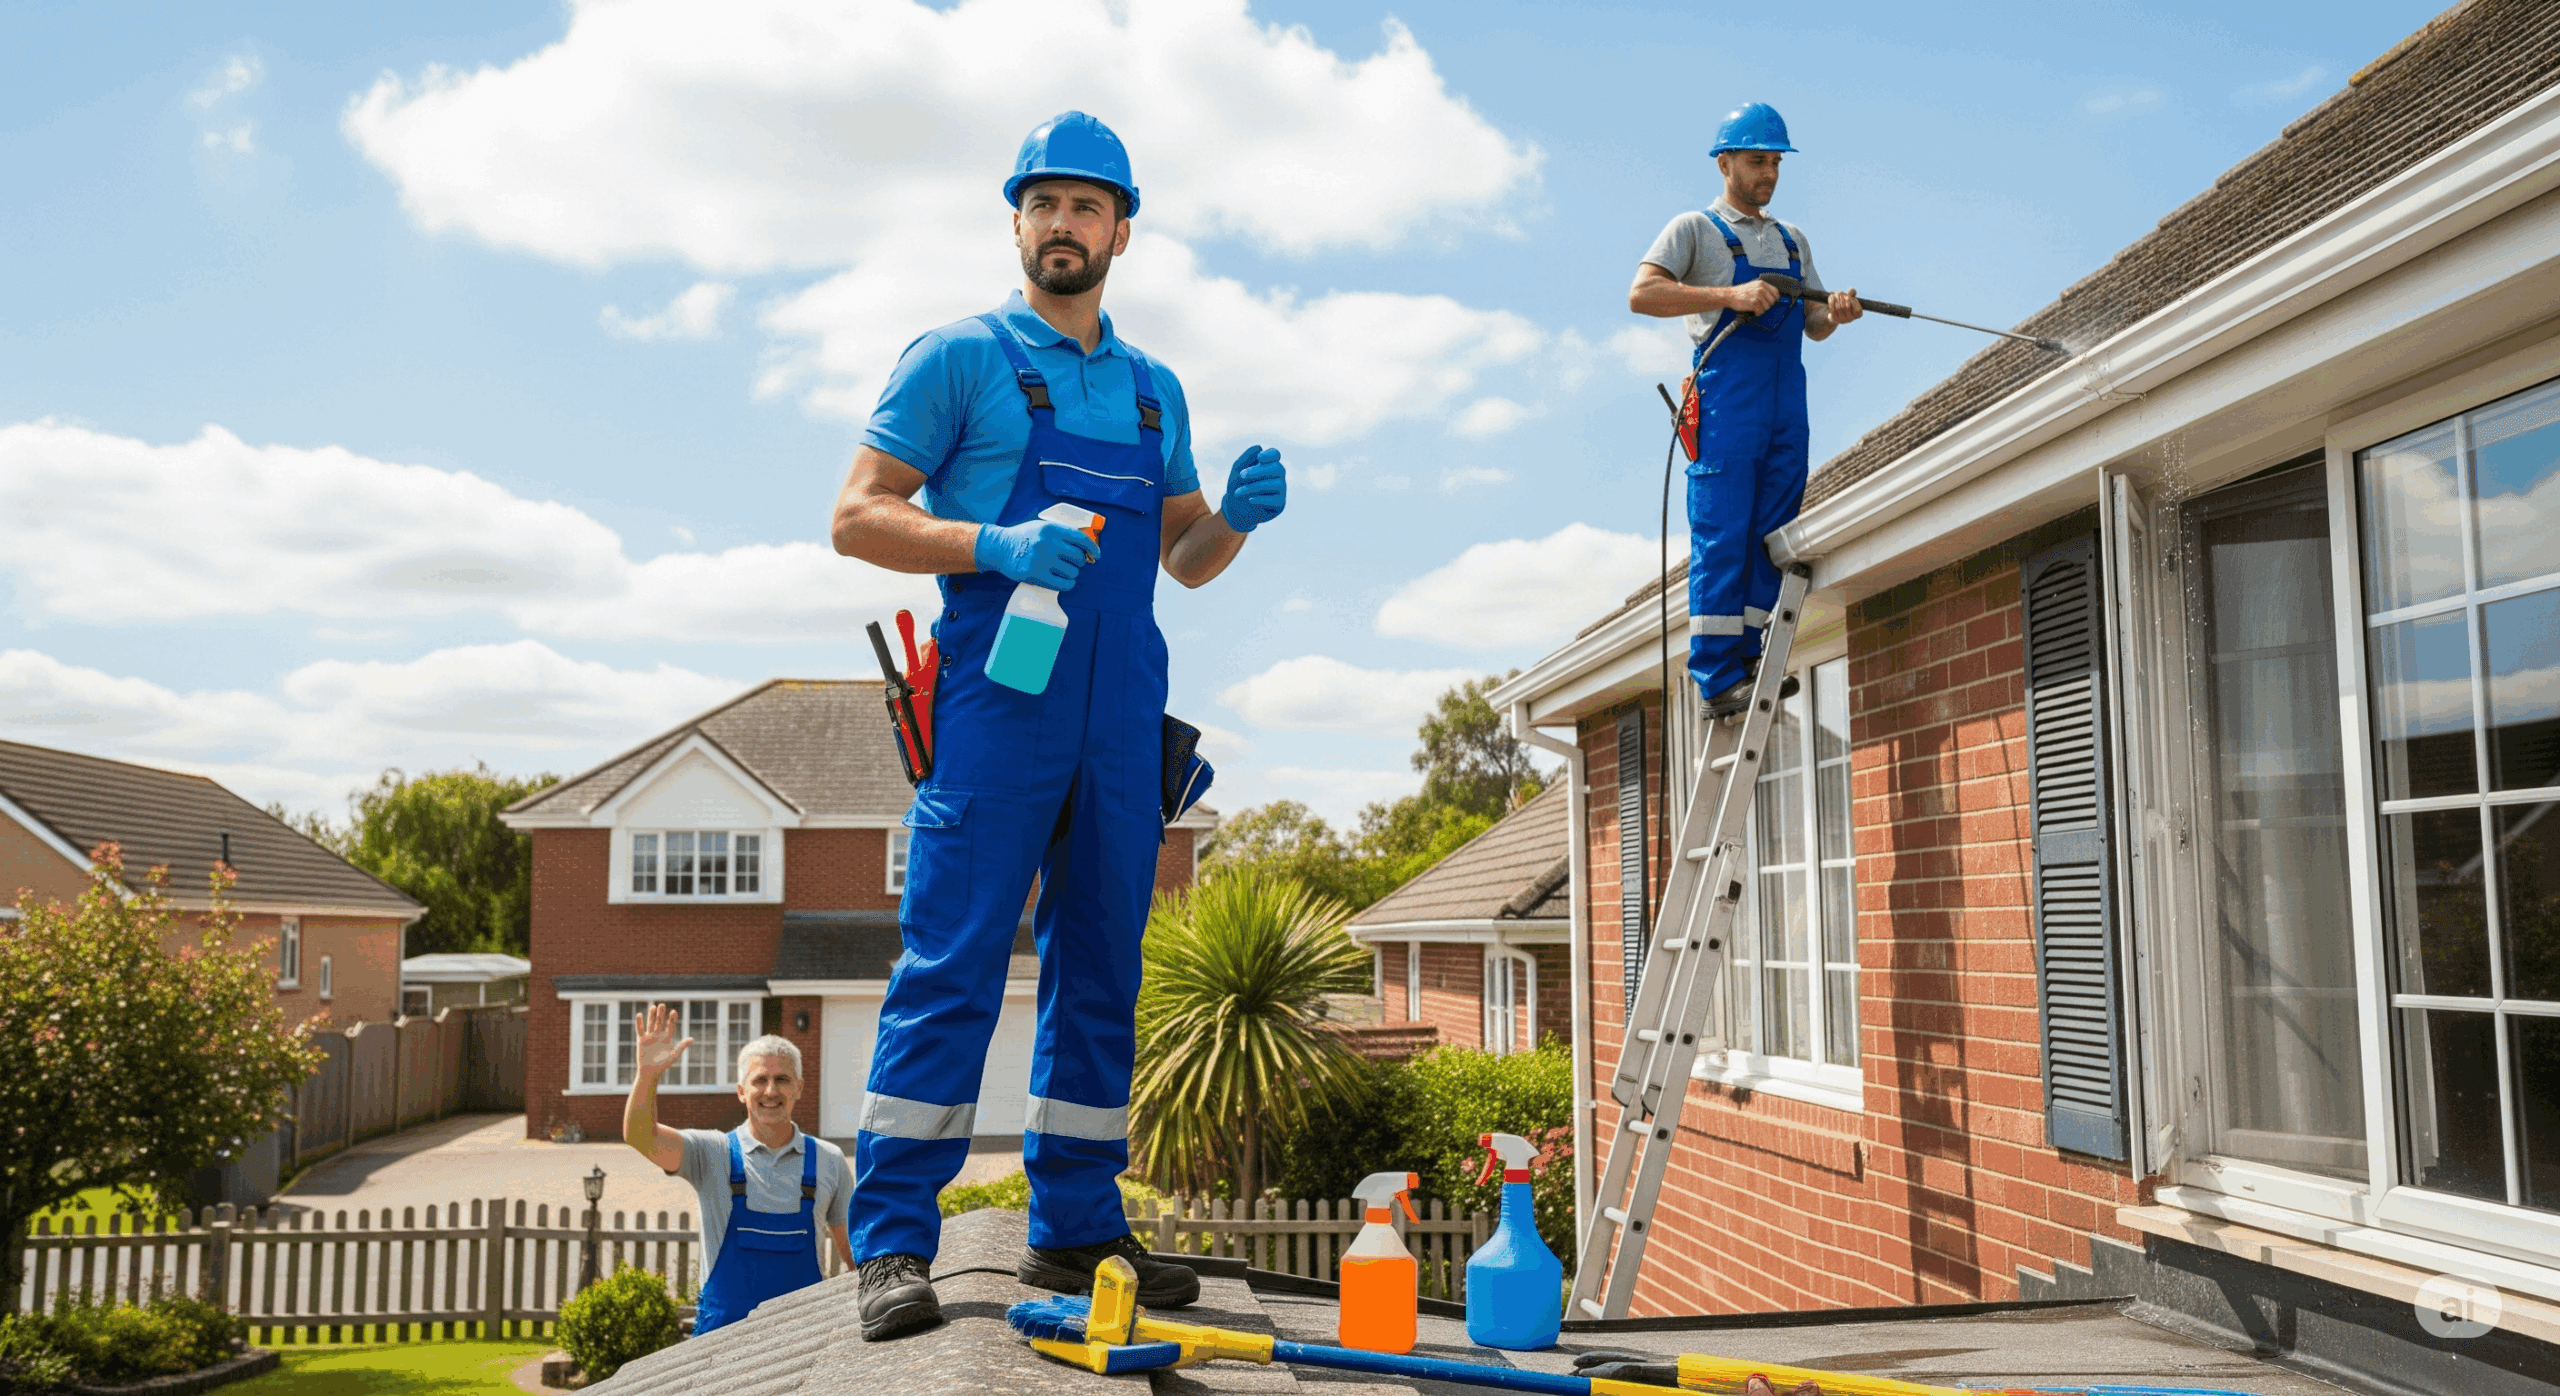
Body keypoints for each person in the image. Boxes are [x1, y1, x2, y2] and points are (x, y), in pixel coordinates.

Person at [827, 110, 1288, 1342]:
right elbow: (858, 516)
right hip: (995, 713)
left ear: (1122, 230)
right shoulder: (958, 358)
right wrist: (993, 541)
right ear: (1017, 220)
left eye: (1089, 207)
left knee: (1102, 975)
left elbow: (1185, 559)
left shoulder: (1152, 390)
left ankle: (1076, 1223)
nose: (1064, 225)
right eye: (1045, 204)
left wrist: (1235, 519)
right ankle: (890, 1246)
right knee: (951, 971)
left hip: (1120, 719)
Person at [1629, 102, 1863, 718]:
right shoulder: (1695, 230)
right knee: (1723, 534)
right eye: (1758, 160)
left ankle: (1751, 654)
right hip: (1727, 401)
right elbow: (1642, 293)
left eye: (1776, 162)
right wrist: (1728, 293)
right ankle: (1714, 677)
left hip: (1788, 403)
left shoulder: (1793, 240)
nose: (1769, 172)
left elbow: (1811, 325)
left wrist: (1834, 314)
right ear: (1725, 161)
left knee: (1771, 534)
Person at [620, 1004, 853, 1336]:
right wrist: (648, 1076)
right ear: (742, 1092)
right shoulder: (710, 1153)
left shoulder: (830, 1161)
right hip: (719, 1347)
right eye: (760, 1080)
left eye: (782, 1079)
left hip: (802, 1341)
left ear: (799, 1088)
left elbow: (856, 1258)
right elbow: (641, 1137)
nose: (771, 1091)